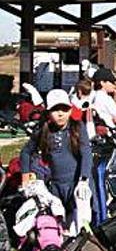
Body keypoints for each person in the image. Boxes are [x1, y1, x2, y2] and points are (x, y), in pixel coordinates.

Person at [19, 89, 92, 226]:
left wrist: (84, 180)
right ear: (48, 113)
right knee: (57, 226)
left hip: (77, 185)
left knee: (80, 225)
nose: (60, 113)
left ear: (70, 110)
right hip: (56, 187)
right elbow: (25, 152)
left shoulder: (78, 127)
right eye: (55, 110)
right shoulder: (44, 130)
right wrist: (25, 177)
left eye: (64, 109)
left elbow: (86, 153)